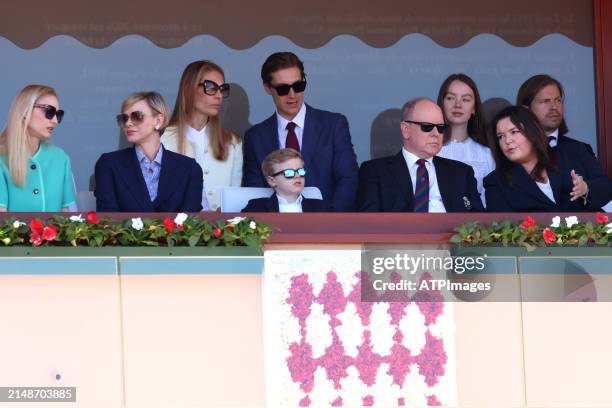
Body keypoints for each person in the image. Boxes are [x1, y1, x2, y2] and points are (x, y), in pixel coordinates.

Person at [242, 51, 359, 211]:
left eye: (298, 86)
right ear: (268, 88)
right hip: (274, 230)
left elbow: (348, 179)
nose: (292, 95)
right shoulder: (255, 137)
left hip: (329, 228)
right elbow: (255, 192)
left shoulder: (333, 125)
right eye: (283, 89)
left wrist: (329, 222)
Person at [357, 98, 483, 212]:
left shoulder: (462, 172)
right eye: (427, 127)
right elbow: (369, 223)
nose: (436, 134)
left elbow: (478, 223)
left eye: (440, 128)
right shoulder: (375, 171)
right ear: (406, 130)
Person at [484, 106, 610, 212]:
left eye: (514, 132)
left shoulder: (571, 154)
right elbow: (502, 230)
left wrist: (586, 188)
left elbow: (606, 188)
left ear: (532, 131)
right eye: (500, 136)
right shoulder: (495, 182)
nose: (507, 140)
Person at [95, 91, 203, 212]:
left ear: (158, 121)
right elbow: (108, 220)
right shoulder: (109, 164)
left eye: (137, 116)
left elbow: (191, 225)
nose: (128, 123)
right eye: (124, 118)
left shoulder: (189, 168)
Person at [162, 60, 242, 211]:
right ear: (188, 89)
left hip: (221, 231)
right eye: (210, 87)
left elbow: (234, 200)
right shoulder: (162, 139)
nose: (219, 95)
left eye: (222, 88)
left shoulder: (233, 143)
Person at [0, 84, 76, 212]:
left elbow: (66, 216)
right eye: (49, 111)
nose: (55, 121)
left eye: (58, 114)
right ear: (25, 110)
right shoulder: (2, 159)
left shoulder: (60, 158)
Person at [436, 73, 495, 202]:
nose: (458, 105)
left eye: (466, 99)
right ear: (442, 103)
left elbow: (490, 202)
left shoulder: (486, 154)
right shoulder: (430, 149)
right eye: (451, 98)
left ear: (474, 108)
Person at [516, 74, 596, 155]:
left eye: (558, 100)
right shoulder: (511, 151)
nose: (554, 107)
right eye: (546, 101)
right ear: (526, 109)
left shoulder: (581, 150)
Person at [242, 148, 328, 212]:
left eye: (300, 171)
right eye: (289, 173)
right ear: (272, 181)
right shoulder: (256, 207)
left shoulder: (320, 207)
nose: (297, 175)